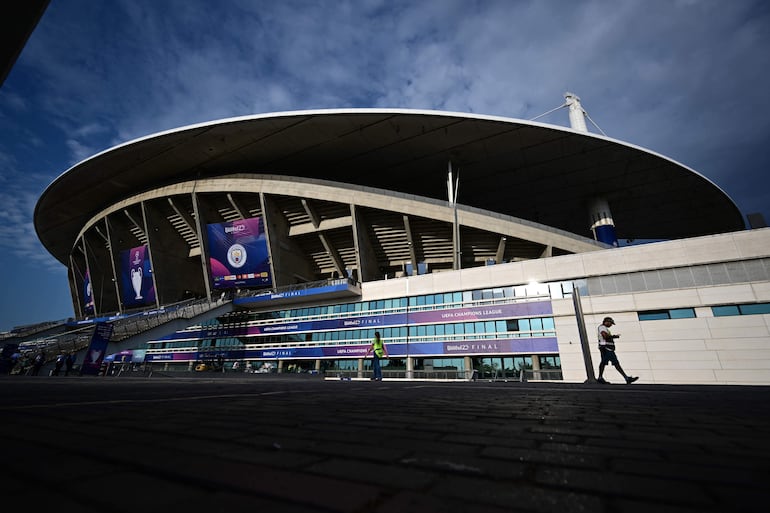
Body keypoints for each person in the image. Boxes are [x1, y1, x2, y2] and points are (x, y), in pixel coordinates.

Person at [597, 317, 638, 384]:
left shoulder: (604, 328)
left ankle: (600, 377)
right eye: (610, 323)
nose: (611, 325)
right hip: (607, 348)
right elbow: (604, 336)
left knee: (604, 362)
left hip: (606, 348)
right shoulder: (602, 327)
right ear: (606, 322)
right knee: (615, 363)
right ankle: (626, 378)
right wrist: (614, 336)